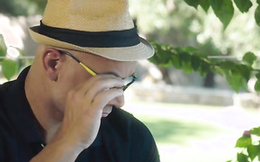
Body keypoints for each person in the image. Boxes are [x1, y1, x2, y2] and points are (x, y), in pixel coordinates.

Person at [0, 0, 160, 161]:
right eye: (108, 83)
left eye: (124, 83)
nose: (119, 101)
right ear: (53, 63)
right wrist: (68, 144)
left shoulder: (132, 140)